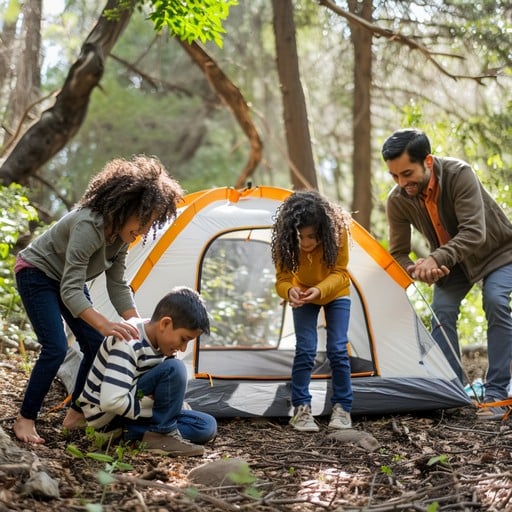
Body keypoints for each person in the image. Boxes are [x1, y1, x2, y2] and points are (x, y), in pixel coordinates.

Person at [13, 155, 184, 444]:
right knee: (55, 346)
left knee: (94, 344)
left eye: (150, 224)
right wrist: (105, 324)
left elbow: (117, 284)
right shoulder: (88, 226)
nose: (143, 230)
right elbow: (70, 290)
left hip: (69, 281)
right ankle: (25, 418)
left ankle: (76, 413)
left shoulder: (121, 237)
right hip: (37, 274)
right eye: (143, 221)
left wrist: (137, 325)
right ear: (126, 206)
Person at [382, 128, 512, 420]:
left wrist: (436, 257)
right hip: (452, 263)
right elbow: (399, 253)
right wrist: (418, 270)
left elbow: (474, 233)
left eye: (407, 173)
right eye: (394, 176)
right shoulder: (398, 200)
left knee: (495, 299)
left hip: (499, 252)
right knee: (440, 310)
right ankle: (454, 392)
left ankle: (497, 394)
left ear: (427, 161)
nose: (402, 183)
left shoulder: (459, 174)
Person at [78, 286, 217, 457]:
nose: (182, 348)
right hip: (108, 417)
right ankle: (160, 435)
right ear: (165, 323)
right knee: (175, 368)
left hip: (130, 411)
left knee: (206, 426)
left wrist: (171, 404)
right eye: (184, 339)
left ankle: (133, 434)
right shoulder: (128, 340)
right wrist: (155, 403)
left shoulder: (161, 343)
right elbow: (110, 401)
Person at [271, 190, 353, 432]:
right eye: (301, 237)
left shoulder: (338, 233)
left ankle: (342, 408)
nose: (306, 243)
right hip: (304, 294)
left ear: (323, 231)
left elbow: (340, 272)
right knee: (305, 350)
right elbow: (282, 279)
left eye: (313, 237)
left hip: (336, 292)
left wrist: (320, 290)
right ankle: (301, 409)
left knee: (337, 349)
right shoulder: (285, 243)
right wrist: (289, 292)